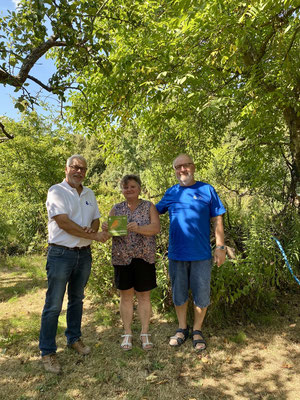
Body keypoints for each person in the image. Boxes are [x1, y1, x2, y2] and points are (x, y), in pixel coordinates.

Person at [39, 154, 109, 374]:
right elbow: (63, 222)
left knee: (77, 299)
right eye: (75, 167)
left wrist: (92, 229)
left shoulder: (89, 193)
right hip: (61, 254)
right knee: (53, 304)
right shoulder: (56, 191)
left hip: (84, 255)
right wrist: (94, 235)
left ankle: (73, 339)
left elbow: (96, 217)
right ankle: (48, 352)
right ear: (66, 168)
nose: (79, 171)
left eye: (83, 169)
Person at [156, 154, 226, 352]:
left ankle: (197, 330)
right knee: (179, 295)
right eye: (178, 167)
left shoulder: (207, 189)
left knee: (201, 295)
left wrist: (220, 247)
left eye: (185, 165)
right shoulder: (171, 192)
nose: (182, 170)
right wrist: (129, 211)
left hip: (202, 255)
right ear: (175, 170)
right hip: (177, 254)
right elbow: (153, 212)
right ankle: (181, 328)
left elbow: (218, 219)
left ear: (193, 167)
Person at [102, 175, 160, 351]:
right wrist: (106, 228)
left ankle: (144, 333)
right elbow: (109, 235)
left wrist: (139, 228)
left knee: (144, 296)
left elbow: (156, 228)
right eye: (125, 187)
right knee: (125, 297)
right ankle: (127, 333)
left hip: (144, 257)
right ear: (122, 190)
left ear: (139, 188)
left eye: (132, 186)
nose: (129, 190)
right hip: (122, 258)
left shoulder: (149, 206)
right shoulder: (117, 208)